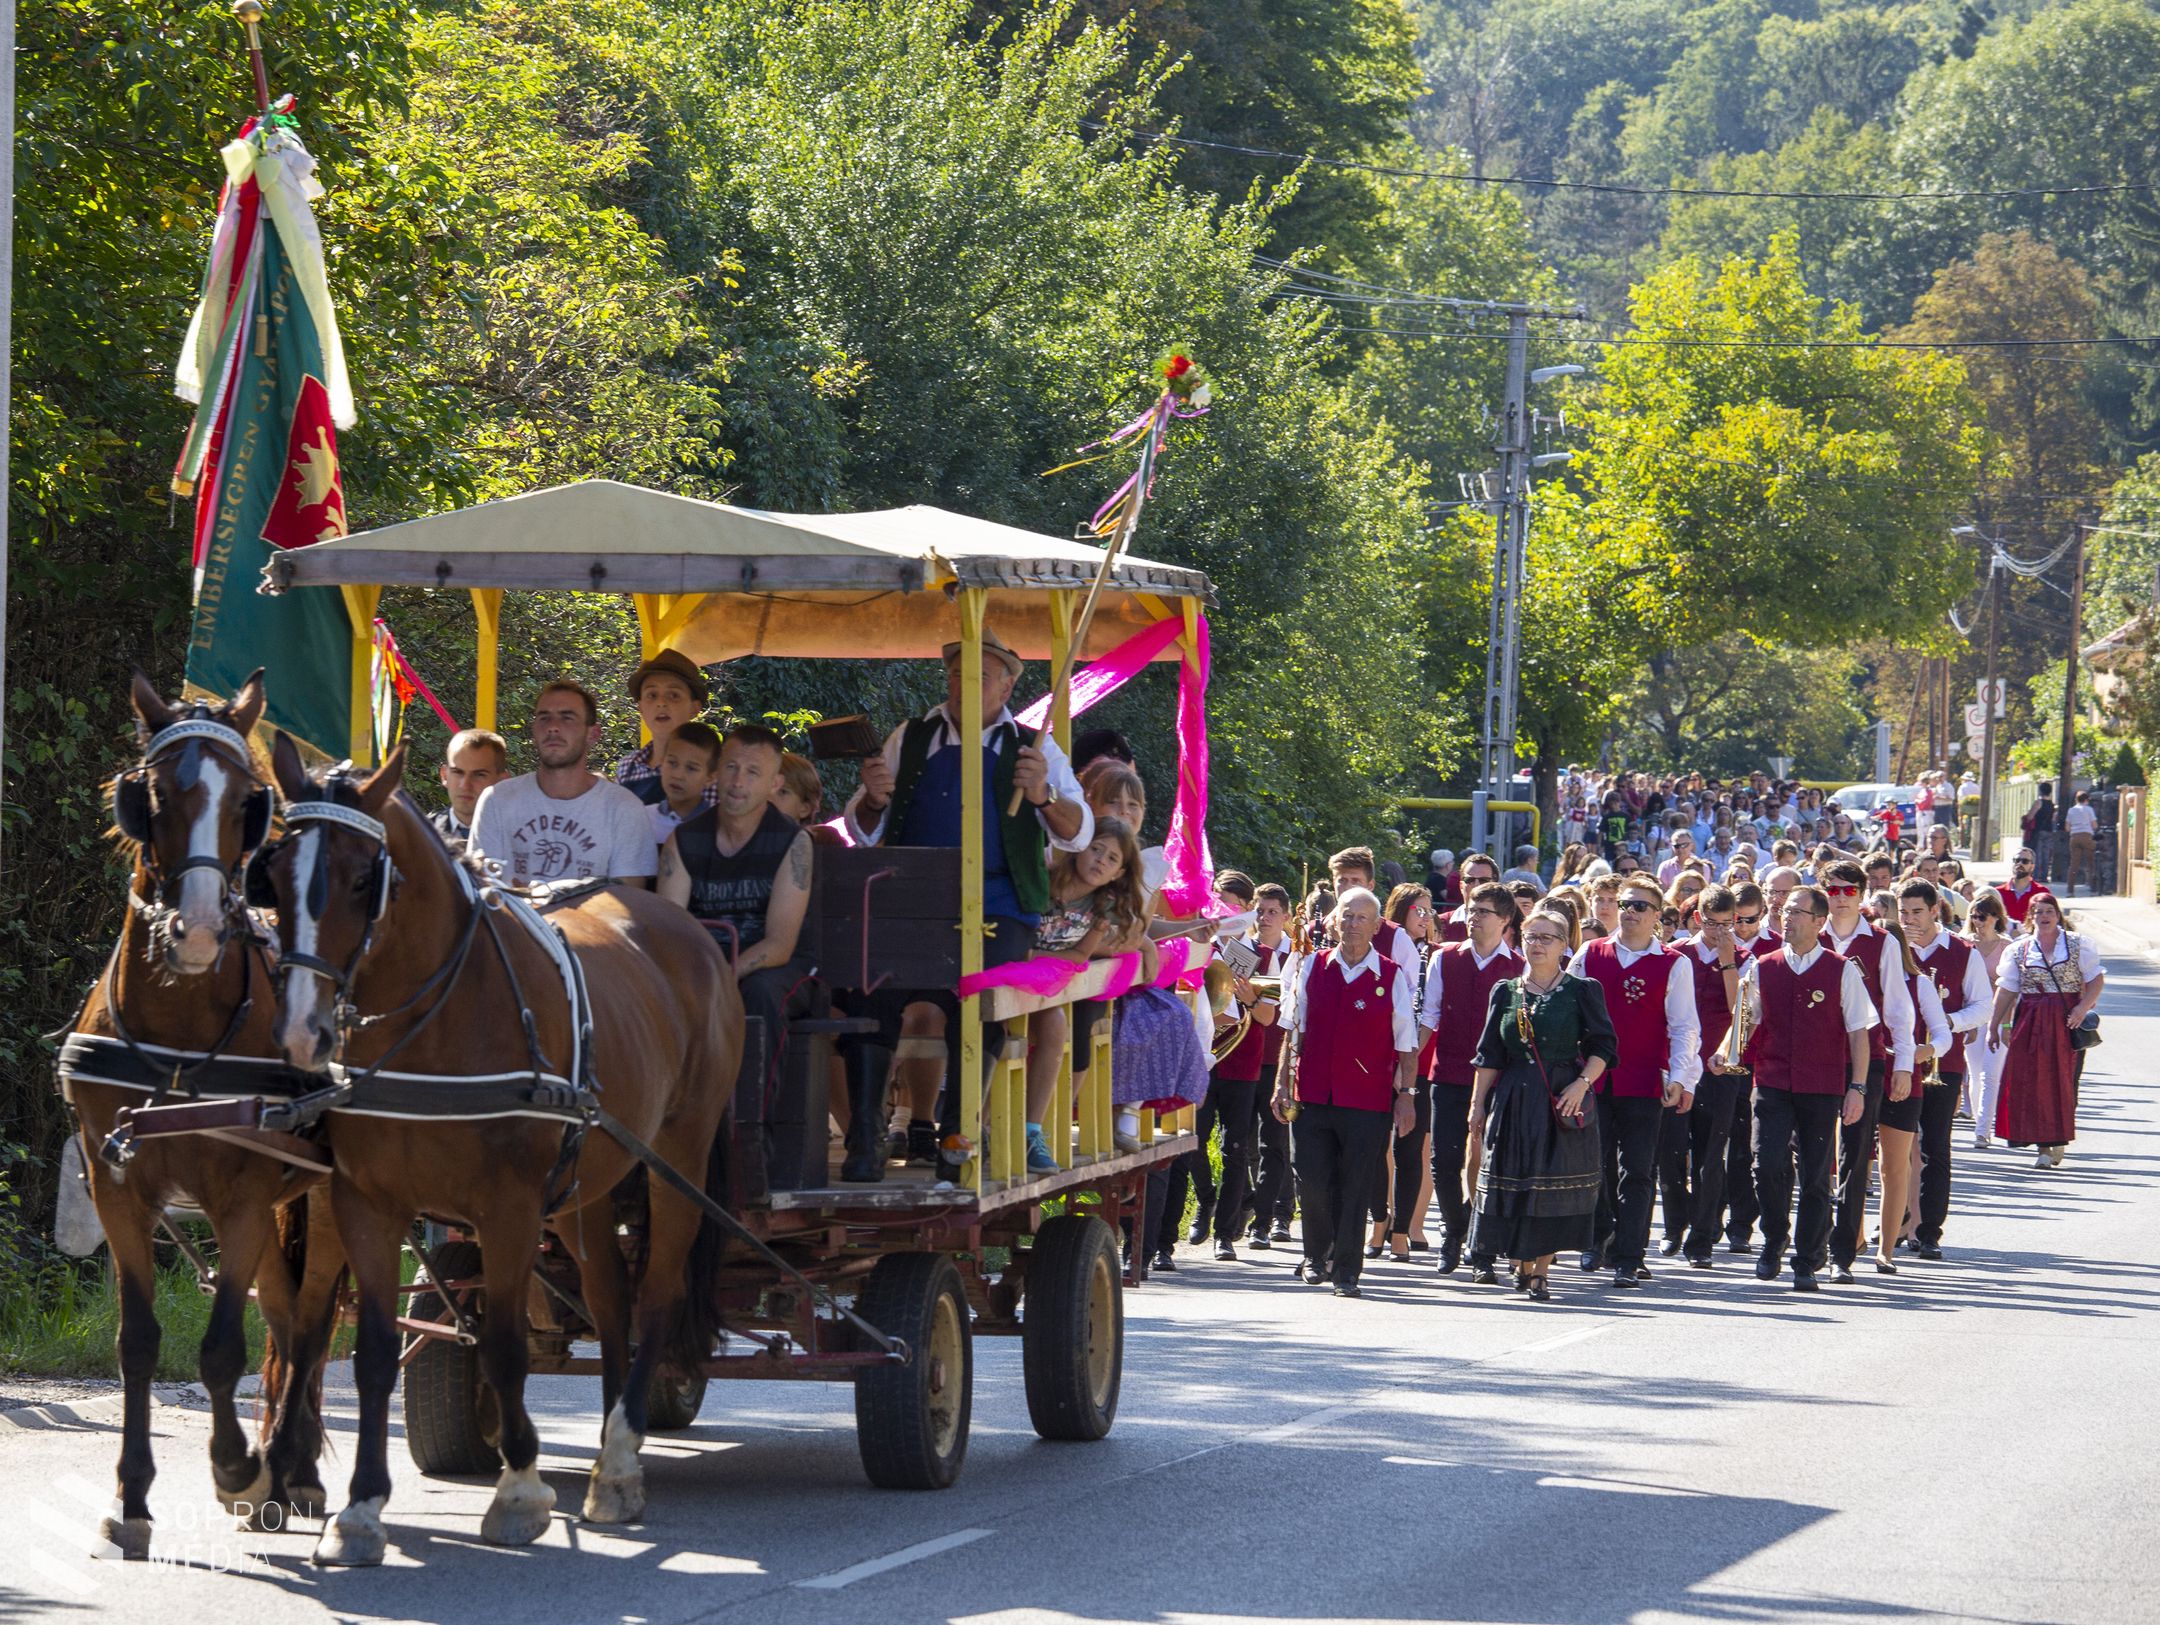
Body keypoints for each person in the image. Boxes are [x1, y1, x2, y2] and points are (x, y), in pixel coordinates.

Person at [844, 625, 1092, 1179]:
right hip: (915, 902)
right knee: (868, 990)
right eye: (957, 674)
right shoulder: (911, 737)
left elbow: (1079, 834)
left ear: (1006, 687)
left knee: (979, 999)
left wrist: (1042, 796)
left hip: (1001, 905)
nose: (963, 685)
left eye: (979, 676)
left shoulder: (1035, 746)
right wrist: (873, 801)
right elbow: (863, 829)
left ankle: (956, 1145)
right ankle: (865, 1139)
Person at [658, 723, 815, 1201]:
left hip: (773, 970)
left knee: (759, 996)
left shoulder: (792, 843)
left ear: (773, 784)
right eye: (730, 767)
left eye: (752, 772)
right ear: (716, 773)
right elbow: (670, 931)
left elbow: (780, 944)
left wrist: (723, 977)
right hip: (701, 965)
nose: (737, 781)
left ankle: (751, 1137)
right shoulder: (684, 841)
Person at [1271, 888, 1420, 1298]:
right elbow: (1292, 1031)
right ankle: (1315, 1255)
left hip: (1367, 1101)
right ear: (1334, 921)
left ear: (1376, 926)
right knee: (1312, 1180)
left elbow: (1407, 1043)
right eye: (1346, 916)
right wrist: (1281, 1084)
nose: (1352, 924)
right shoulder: (1311, 966)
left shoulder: (1390, 975)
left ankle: (1346, 1272)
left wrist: (1407, 1095)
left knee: (1356, 1187)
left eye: (1361, 918)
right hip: (1313, 1095)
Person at [1463, 906, 1612, 1301]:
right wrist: (1478, 1105)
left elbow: (1603, 1048)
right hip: (1513, 1097)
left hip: (1560, 1098)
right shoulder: (1505, 991)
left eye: (1547, 938)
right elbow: (1489, 1055)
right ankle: (1522, 1261)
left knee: (1549, 1187)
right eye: (1531, 936)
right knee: (1514, 1180)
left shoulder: (1582, 990)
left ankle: (1541, 1270)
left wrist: (1581, 1084)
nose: (1537, 944)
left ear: (1564, 946)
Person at [1568, 875, 1700, 1289]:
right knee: (1595, 1166)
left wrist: (1680, 1076)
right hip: (1594, 1080)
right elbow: (1564, 1001)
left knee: (1638, 1171)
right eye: (1625, 904)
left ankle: (1630, 1256)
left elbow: (1684, 1026)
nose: (1629, 911)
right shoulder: (1591, 952)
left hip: (1644, 1081)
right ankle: (1597, 1239)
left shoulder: (1673, 963)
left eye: (1640, 906)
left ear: (1657, 915)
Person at [1743, 886, 1877, 1291]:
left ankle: (1807, 1258)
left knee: (1816, 1175)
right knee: (1766, 1164)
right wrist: (1724, 1051)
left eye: (1797, 912)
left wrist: (1857, 1087)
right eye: (1785, 911)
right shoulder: (1763, 966)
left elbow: (1858, 1033)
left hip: (1821, 1084)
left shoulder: (1841, 969)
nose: (1787, 918)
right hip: (1772, 1080)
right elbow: (1747, 1022)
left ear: (1819, 922)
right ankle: (1774, 1236)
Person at [1026, 819, 1148, 1176]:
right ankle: (982, 1126)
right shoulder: (1045, 879)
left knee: (1056, 1027)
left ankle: (1031, 1132)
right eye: (1096, 849)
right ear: (1079, 847)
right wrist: (1025, 957)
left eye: (1111, 858)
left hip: (1041, 979)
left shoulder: (1103, 906)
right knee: (999, 1033)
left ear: (1118, 872)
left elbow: (1080, 955)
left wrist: (1035, 958)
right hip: (1007, 971)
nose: (1100, 861)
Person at [1820, 860, 1918, 1283]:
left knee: (1855, 1156)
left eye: (1848, 890)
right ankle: (1815, 1240)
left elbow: (1898, 1008)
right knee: (1816, 1157)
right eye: (1833, 890)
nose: (1840, 897)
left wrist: (1904, 1064)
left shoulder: (1882, 942)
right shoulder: (1810, 934)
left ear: (1861, 895)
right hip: (1815, 1061)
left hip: (1866, 1060)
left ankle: (1843, 1252)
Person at [1421, 881, 1525, 1277]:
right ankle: (1454, 1229)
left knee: (1491, 1164)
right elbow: (1429, 1016)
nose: (1473, 918)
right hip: (1448, 1072)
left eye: (1483, 912)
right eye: (1471, 910)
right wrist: (1407, 1066)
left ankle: (1483, 1249)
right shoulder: (1444, 958)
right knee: (1443, 1159)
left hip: (1498, 1080)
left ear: (1505, 920)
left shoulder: (1518, 967)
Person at [470, 680, 659, 888]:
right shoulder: (497, 799)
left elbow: (628, 896)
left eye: (567, 718)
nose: (553, 727)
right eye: (544, 718)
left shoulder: (623, 808)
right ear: (534, 730)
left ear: (593, 734)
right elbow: (482, 890)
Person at [1898, 879, 1991, 1259]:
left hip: (1943, 1062)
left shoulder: (1963, 952)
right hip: (1899, 1061)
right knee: (1896, 1147)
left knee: (1935, 1147)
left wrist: (1947, 1023)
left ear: (1935, 910)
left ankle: (1929, 1230)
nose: (1909, 920)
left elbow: (1983, 1006)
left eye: (1917, 912)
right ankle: (1899, 1220)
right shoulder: (1891, 948)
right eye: (1904, 913)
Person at [1988, 892, 2104, 1168]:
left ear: (2057, 914)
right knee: (2031, 1081)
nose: (2044, 916)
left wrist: (2082, 1008)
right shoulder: (2019, 949)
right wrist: (1995, 1026)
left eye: (2049, 911)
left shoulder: (2076, 944)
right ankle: (2043, 1145)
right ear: (2031, 917)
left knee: (2063, 1079)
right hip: (2030, 1020)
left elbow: (2096, 980)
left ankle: (2058, 1136)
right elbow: (2006, 991)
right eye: (2038, 912)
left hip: (2066, 1022)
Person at [1663, 886, 1745, 1268]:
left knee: (1710, 1157)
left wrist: (1727, 961)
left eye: (1727, 924)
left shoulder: (1744, 958)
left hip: (1718, 1068)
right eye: (1712, 923)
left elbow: (1739, 1011)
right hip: (1678, 1067)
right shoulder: (1676, 953)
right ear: (1697, 919)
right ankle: (1674, 1225)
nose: (1719, 932)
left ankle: (1701, 1238)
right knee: (1670, 1151)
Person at [1867, 920, 1952, 1275]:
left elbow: (1944, 1035)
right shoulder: (1859, 980)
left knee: (1893, 1166)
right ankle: (1851, 1237)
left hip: (1904, 1077)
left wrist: (1925, 1051)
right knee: (1854, 1163)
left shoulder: (1919, 983)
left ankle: (1887, 1248)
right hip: (1862, 1076)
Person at [1376, 885, 1440, 1259]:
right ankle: (1380, 1221)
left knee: (1413, 1148)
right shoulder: (1383, 947)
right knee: (1378, 1147)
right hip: (1382, 1060)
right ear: (1401, 910)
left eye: (1430, 911)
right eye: (1419, 910)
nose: (1426, 917)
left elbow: (1431, 1014)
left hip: (1420, 1064)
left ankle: (1407, 1227)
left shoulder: (1434, 956)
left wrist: (1409, 1065)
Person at [1234, 883, 1298, 1250]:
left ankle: (1276, 1215)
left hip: (1279, 1058)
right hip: (1243, 1057)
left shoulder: (1297, 953)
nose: (1265, 917)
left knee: (1276, 1142)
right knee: (1240, 1142)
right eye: (1259, 910)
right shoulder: (1243, 950)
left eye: (1273, 911)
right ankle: (1247, 1205)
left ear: (1286, 916)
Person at [614, 648, 718, 811]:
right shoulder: (627, 768)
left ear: (694, 708)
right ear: (641, 707)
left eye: (673, 695)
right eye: (652, 695)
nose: (661, 703)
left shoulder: (716, 772)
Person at [1965, 891, 2013, 1148]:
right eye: (1974, 916)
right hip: (1972, 1016)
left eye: (1982, 917)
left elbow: (2011, 990)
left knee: (1990, 1075)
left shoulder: (2007, 947)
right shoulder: (1964, 944)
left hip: (1998, 1016)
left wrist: (2006, 1024)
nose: (1977, 922)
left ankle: (1983, 1130)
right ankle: (1979, 1121)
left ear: (1996, 917)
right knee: (1974, 1073)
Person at [645, 719, 724, 847]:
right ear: (662, 762)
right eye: (672, 763)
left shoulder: (720, 828)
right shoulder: (643, 819)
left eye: (691, 768)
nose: (678, 775)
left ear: (710, 778)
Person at [433, 727, 509, 844]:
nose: (465, 785)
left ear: (502, 782)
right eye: (458, 772)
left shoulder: (523, 839)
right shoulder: (418, 835)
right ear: (444, 776)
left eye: (479, 775)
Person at [1439, 851, 1502, 941]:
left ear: (1495, 885)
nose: (1476, 885)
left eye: (1484, 880)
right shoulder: (1440, 924)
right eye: (1469, 880)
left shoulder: (1507, 926)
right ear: (1461, 886)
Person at [1997, 846, 2053, 926]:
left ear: (2032, 866)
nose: (2020, 864)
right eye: (2016, 860)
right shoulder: (1998, 893)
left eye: (2025, 861)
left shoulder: (2042, 892)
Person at [2063, 790, 2100, 896]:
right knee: (2091, 863)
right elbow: (2094, 825)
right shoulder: (2089, 809)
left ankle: (2070, 891)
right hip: (2087, 836)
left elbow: (2067, 827)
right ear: (2086, 800)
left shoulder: (2071, 810)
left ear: (2076, 799)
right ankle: (2093, 889)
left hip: (2074, 837)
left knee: (2074, 864)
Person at [2024, 783, 2057, 878]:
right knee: (2046, 854)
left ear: (2040, 791)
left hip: (2038, 830)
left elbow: (2030, 817)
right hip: (2049, 830)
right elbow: (2053, 818)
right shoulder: (2052, 805)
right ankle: (2044, 875)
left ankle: (2036, 875)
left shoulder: (2038, 803)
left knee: (2037, 853)